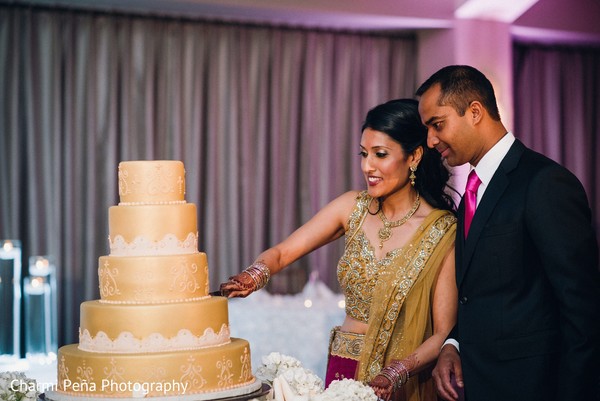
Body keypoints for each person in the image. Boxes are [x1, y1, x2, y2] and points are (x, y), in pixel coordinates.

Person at [220, 98, 458, 401]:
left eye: (380, 154)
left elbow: (443, 334)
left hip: (401, 380)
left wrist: (396, 372)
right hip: (344, 368)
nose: (367, 166)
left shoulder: (441, 230)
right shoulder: (352, 208)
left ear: (414, 156)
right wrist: (254, 275)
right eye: (363, 154)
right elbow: (282, 253)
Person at [415, 65, 600, 401]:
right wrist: (453, 343)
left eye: (437, 125)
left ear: (474, 112)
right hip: (478, 384)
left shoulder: (544, 183)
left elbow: (582, 310)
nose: (430, 140)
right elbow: (478, 293)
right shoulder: (471, 189)